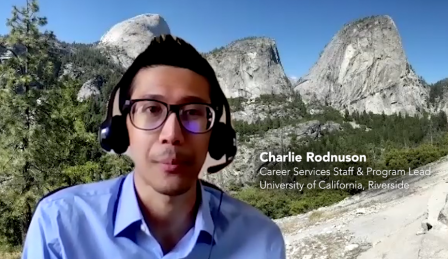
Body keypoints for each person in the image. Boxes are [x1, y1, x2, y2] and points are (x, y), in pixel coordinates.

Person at [21, 34, 286, 259]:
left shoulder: (261, 240)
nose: (172, 135)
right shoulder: (58, 225)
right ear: (122, 129)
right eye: (151, 109)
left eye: (193, 112)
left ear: (216, 135)